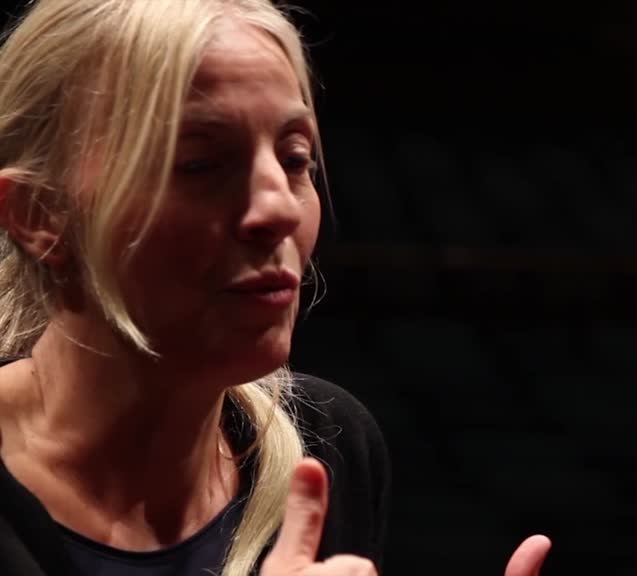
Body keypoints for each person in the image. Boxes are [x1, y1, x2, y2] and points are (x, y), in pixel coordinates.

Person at [0, 0, 551, 574]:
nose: (280, 209)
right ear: (40, 213)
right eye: (199, 164)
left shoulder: (328, 445)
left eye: (294, 159)